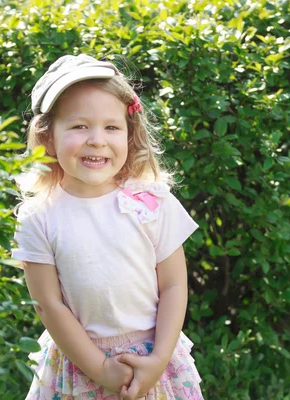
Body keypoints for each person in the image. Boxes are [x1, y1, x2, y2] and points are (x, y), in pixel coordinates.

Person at [12, 54, 204, 400]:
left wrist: (159, 359)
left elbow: (174, 285)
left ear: (130, 134)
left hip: (153, 357)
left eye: (111, 127)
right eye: (79, 126)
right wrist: (99, 369)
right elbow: (48, 304)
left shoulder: (152, 202)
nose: (97, 140)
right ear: (49, 137)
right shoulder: (40, 216)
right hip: (80, 362)